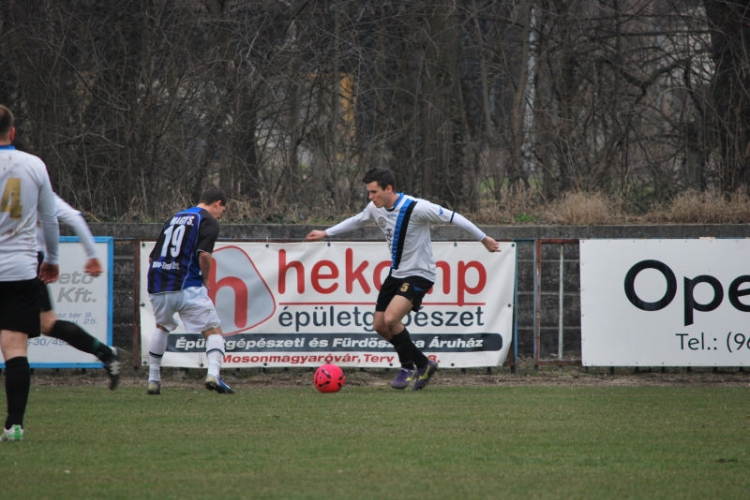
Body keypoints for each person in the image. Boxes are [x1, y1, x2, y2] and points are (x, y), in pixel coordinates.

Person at [306, 167, 501, 390]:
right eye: (369, 192)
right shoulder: (375, 208)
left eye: (374, 192)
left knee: (391, 319)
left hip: (420, 273)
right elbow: (357, 220)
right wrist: (326, 233)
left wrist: (483, 238)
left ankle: (407, 367)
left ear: (388, 189)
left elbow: (454, 218)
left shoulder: (417, 208)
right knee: (379, 325)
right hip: (396, 272)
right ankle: (423, 363)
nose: (370, 197)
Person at [0, 105, 60, 442]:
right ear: (13, 133)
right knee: (15, 349)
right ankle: (14, 425)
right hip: (21, 268)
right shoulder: (33, 165)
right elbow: (49, 219)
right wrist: (50, 258)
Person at [146, 186, 233, 395]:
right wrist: (205, 279)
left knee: (161, 326)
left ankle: (153, 379)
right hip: (187, 285)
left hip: (158, 284)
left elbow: (151, 257)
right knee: (214, 331)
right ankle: (213, 374)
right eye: (223, 211)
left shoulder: (174, 218)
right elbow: (204, 255)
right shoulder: (208, 221)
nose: (221, 216)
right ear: (217, 204)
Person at [37, 194, 120, 389]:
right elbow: (74, 218)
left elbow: (73, 218)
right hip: (30, 261)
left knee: (25, 332)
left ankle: (15, 417)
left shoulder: (27, 185)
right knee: (46, 325)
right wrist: (91, 254)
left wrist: (91, 255)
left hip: (20, 263)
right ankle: (106, 354)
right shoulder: (33, 182)